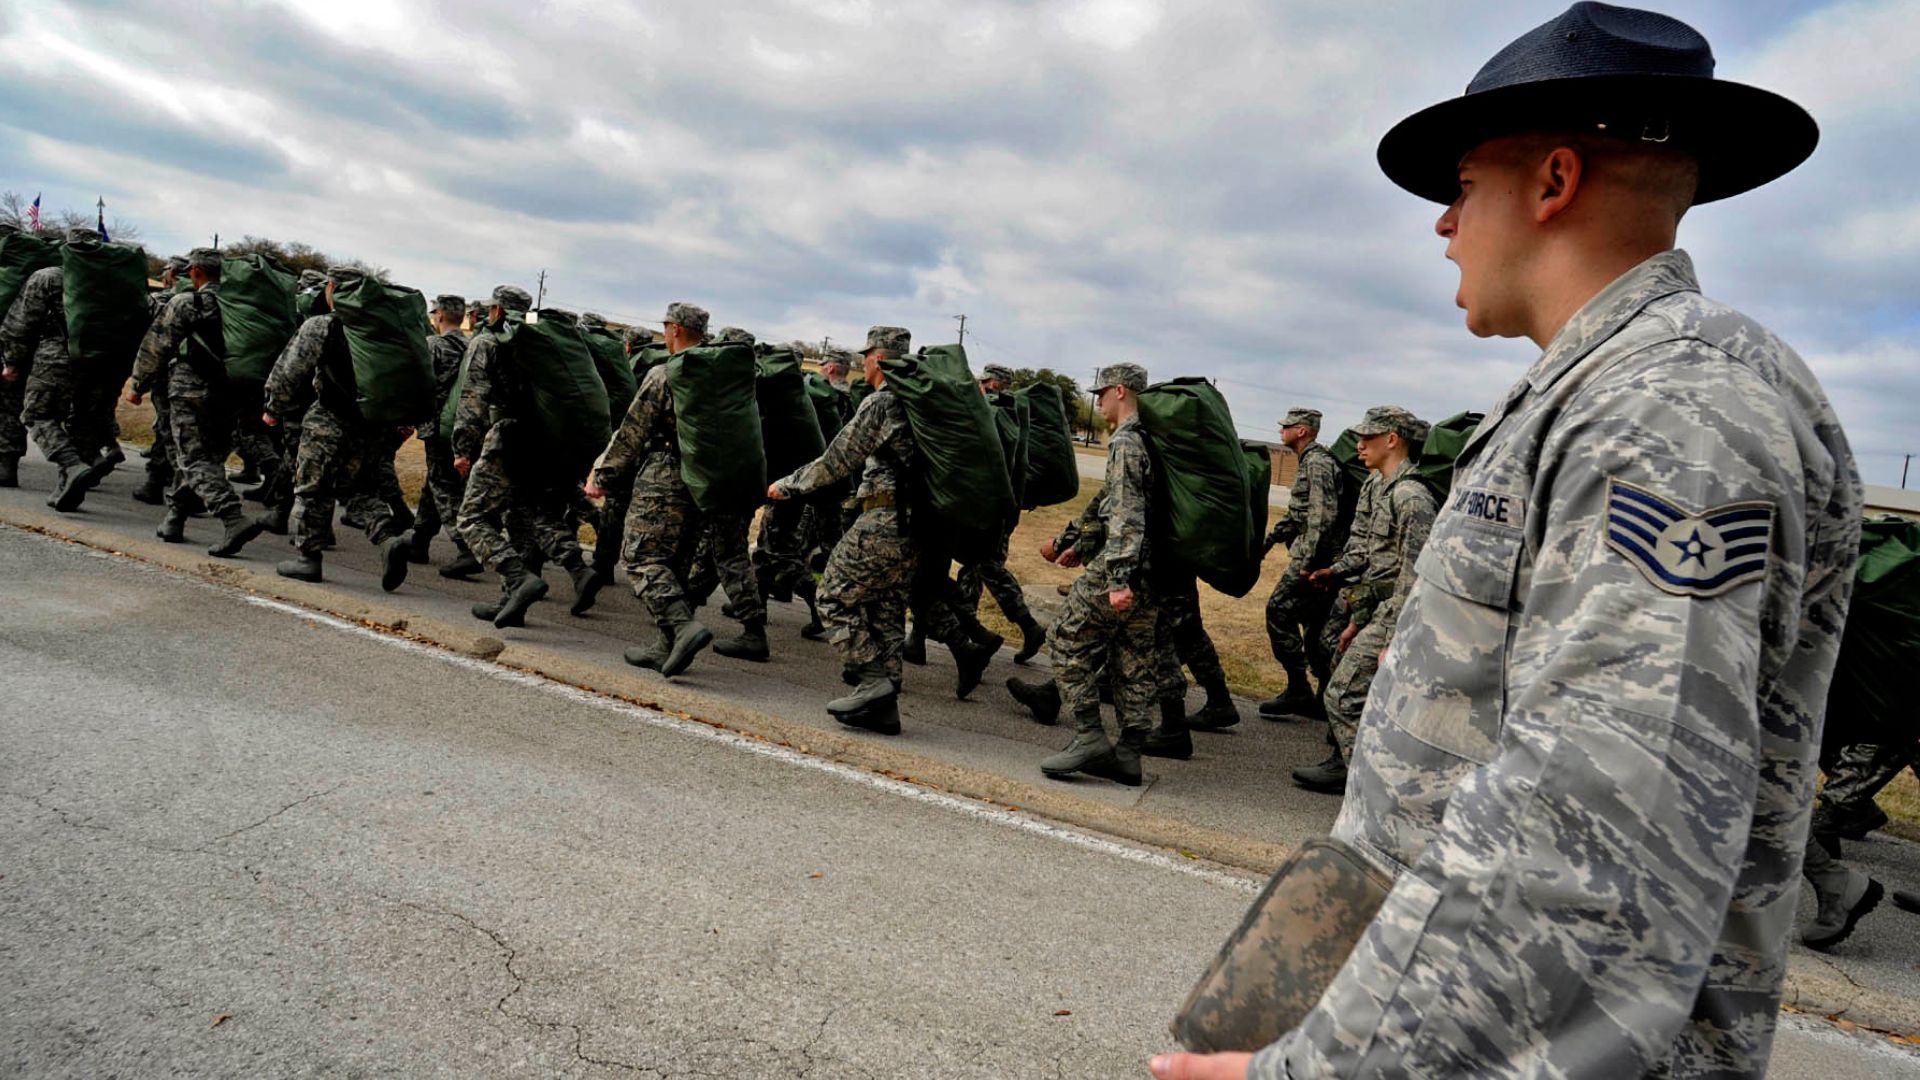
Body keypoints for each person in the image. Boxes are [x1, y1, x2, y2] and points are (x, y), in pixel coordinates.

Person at [1154, 5, 1858, 1078]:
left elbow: (1590, 834)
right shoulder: (1598, 388)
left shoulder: (1672, 411)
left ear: (1553, 182)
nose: (1443, 223)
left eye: (1462, 185)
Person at [765, 326, 923, 733]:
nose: (863, 362)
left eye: (867, 355)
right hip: (916, 525)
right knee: (884, 610)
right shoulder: (922, 402)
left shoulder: (882, 402)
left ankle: (872, 680)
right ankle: (886, 710)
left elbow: (837, 461)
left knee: (832, 595)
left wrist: (787, 485)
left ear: (881, 359)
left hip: (884, 518)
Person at [1013, 363, 1157, 786]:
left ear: (1120, 391)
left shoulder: (1128, 442)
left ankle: (1090, 735)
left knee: (1064, 637)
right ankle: (1129, 754)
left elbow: (1127, 512)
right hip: (1153, 570)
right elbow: (1112, 502)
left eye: (1102, 394)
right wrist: (1080, 542)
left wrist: (1117, 579)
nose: (1097, 402)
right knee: (1131, 657)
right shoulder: (1148, 439)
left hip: (1125, 566)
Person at [1292, 406, 1434, 794]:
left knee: (1341, 694)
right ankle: (1344, 762)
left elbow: (1414, 578)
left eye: (1368, 437)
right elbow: (1371, 558)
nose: (1358, 444)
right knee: (1339, 668)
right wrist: (1345, 589)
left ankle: (1367, 789)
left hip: (1395, 614)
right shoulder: (1380, 486)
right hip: (1373, 606)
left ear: (1392, 440)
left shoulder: (1411, 498)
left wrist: (1394, 638)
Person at [453, 288, 600, 626]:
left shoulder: (490, 340)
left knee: (472, 518)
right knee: (522, 518)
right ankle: (513, 601)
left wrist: (462, 447)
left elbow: (473, 398)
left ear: (496, 310)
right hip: (548, 443)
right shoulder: (540, 340)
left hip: (510, 439)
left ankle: (518, 578)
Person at [585, 302, 717, 678]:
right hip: (703, 481)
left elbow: (632, 431)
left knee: (641, 558)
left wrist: (602, 476)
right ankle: (666, 645)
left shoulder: (665, 373)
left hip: (665, 475)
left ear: (674, 330)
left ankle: (682, 626)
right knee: (675, 562)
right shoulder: (719, 377)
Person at [262, 266, 413, 590]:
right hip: (372, 426)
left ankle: (307, 558)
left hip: (328, 421)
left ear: (333, 288)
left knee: (311, 488)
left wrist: (273, 407)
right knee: (357, 489)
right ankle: (387, 538)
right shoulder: (383, 331)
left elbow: (289, 369)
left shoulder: (323, 325)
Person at [124, 247, 270, 557]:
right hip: (232, 393)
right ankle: (175, 518)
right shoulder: (243, 307)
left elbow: (158, 345)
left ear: (195, 272)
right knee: (209, 457)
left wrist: (138, 384)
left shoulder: (187, 302)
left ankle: (233, 517)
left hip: (190, 390)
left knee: (192, 458)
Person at [1, 228, 112, 510]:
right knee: (82, 420)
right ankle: (68, 488)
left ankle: (71, 466)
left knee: (38, 415)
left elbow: (21, 324)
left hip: (56, 357)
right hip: (102, 360)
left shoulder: (49, 277)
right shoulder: (114, 283)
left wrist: (12, 360)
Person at [956, 361, 1049, 665]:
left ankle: (1029, 627)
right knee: (974, 569)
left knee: (987, 566)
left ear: (993, 385)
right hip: (1004, 509)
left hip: (990, 510)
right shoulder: (1016, 414)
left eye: (983, 385)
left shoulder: (997, 413)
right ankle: (969, 636)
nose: (979, 389)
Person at [1258, 407, 1345, 721]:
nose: (1281, 430)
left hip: (1318, 560)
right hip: (1317, 558)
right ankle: (1322, 697)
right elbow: (1298, 516)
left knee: (1278, 610)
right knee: (1316, 629)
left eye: (1288, 426)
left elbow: (1323, 517)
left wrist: (1307, 563)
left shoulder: (1319, 463)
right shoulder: (1309, 461)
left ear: (1303, 431)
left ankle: (1299, 688)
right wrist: (1266, 544)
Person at [408, 293, 482, 578]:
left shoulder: (433, 345)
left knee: (444, 488)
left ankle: (467, 548)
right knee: (435, 483)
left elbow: (421, 384)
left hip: (438, 426)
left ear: (438, 315)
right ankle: (419, 541)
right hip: (465, 427)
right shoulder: (471, 346)